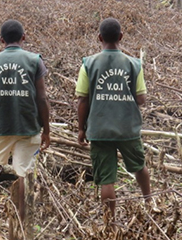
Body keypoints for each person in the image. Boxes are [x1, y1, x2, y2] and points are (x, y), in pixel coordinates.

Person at [75, 18, 152, 218]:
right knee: (139, 166)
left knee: (107, 180)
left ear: (99, 38)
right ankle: (149, 201)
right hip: (127, 128)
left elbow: (83, 100)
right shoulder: (134, 64)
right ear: (121, 37)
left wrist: (82, 129)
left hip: (99, 130)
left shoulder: (88, 64)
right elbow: (141, 99)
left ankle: (110, 224)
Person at [0, 19, 50, 222]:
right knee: (24, 171)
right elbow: (42, 98)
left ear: (2, 40)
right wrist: (46, 130)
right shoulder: (34, 60)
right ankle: (21, 216)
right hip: (28, 125)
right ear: (23, 37)